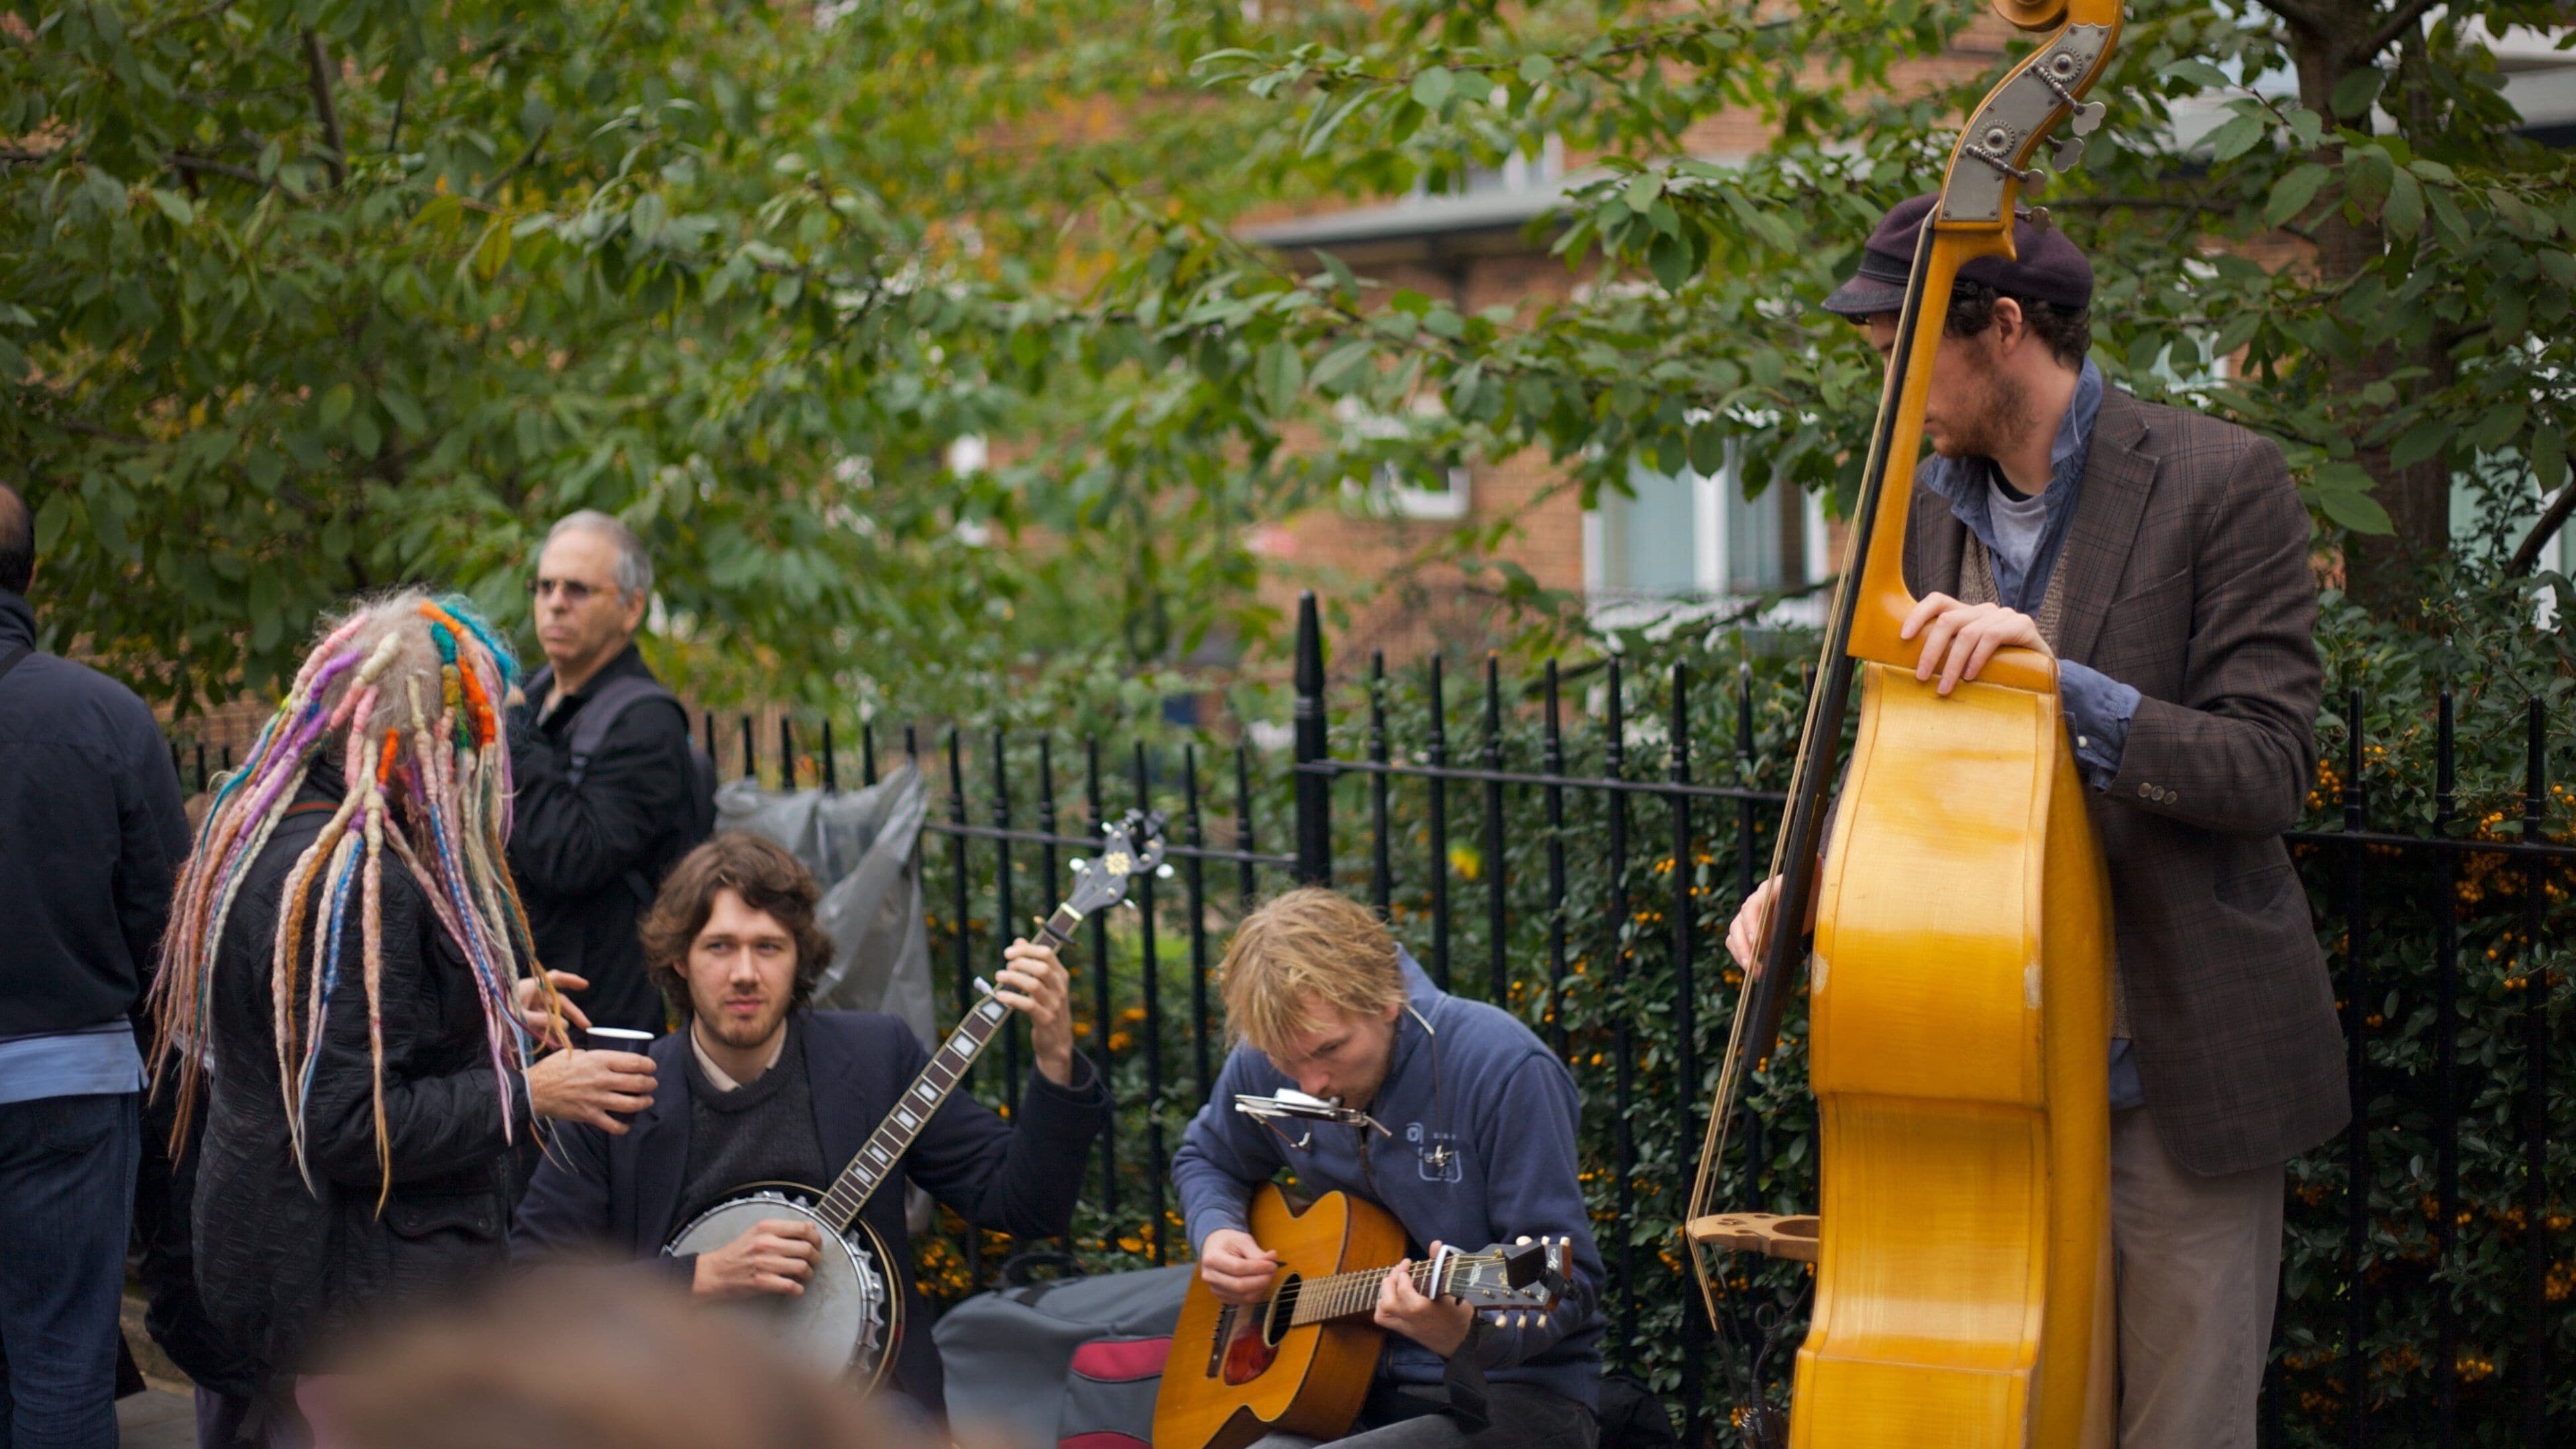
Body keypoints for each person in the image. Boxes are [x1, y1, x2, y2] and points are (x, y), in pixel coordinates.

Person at [1724, 194, 2347, 1448]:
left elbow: (2270, 769)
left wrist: (2066, 691)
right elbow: (1899, 749)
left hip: (2171, 1071)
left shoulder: (2222, 478)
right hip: (1984, 1071)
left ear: (2002, 326)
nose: (1890, 395)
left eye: (1903, 355)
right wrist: (1820, 883)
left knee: (2180, 1430)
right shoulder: (1916, 503)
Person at [149, 591, 658, 1438]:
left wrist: (491, 1012)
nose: (483, 775)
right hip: (356, 1309)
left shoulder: (263, 832)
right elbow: (346, 1121)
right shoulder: (356, 880)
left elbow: (335, 1039)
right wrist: (533, 1093)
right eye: (474, 747)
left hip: (295, 1272)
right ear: (421, 748)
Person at [511, 832, 1110, 1415]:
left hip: (866, 1411)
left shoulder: (876, 1058)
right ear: (680, 961)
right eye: (719, 947)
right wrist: (704, 1275)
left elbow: (1025, 1205)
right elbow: (539, 1292)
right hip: (682, 1409)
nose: (745, 972)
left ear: (799, 959)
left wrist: (1057, 1058)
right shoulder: (620, 1093)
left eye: (768, 947)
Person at [1170, 888, 1606, 1448]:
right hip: (1345, 1390)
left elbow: (1562, 1279)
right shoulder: (1269, 1057)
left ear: (1387, 999)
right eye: (1286, 1061)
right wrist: (1217, 1229)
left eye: (1329, 1051)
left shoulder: (1504, 1067)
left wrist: (1465, 1333)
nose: (1310, 1085)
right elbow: (1206, 1158)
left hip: (1513, 1396)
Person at [0, 483, 190, 1448]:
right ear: (31, 577)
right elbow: (171, 929)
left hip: (67, 1082)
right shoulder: (104, 717)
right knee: (62, 1362)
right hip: (69, 1091)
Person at [509, 511, 709, 1034]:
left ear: (631, 608)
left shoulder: (649, 722)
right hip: (518, 1006)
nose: (555, 602)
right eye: (545, 586)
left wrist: (509, 732)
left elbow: (573, 857)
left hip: (596, 1021)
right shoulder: (529, 692)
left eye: (577, 589)